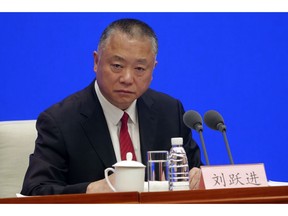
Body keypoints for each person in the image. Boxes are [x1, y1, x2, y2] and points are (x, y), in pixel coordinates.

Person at [21, 18, 203, 195]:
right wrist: (90, 190)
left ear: (153, 69)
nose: (127, 79)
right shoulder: (60, 121)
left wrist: (200, 178)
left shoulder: (170, 112)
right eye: (117, 66)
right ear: (96, 61)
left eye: (139, 69)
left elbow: (196, 172)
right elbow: (35, 190)